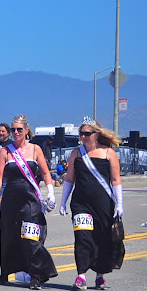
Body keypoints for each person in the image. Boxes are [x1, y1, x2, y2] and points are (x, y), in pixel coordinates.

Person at [0, 114, 57, 290]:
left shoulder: (36, 149)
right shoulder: (6, 151)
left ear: (27, 130)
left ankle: (35, 275)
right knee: (8, 237)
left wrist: (50, 192)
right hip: (11, 200)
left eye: (19, 129)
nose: (15, 132)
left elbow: (45, 173)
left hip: (30, 200)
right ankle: (6, 270)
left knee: (31, 238)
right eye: (13, 129)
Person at [59, 117, 124, 291]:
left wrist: (119, 204)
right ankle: (81, 276)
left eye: (87, 133)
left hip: (103, 204)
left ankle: (100, 276)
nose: (84, 137)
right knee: (82, 238)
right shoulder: (76, 153)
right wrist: (63, 202)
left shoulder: (108, 152)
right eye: (81, 134)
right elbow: (70, 178)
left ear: (96, 134)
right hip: (81, 204)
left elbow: (116, 180)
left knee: (101, 239)